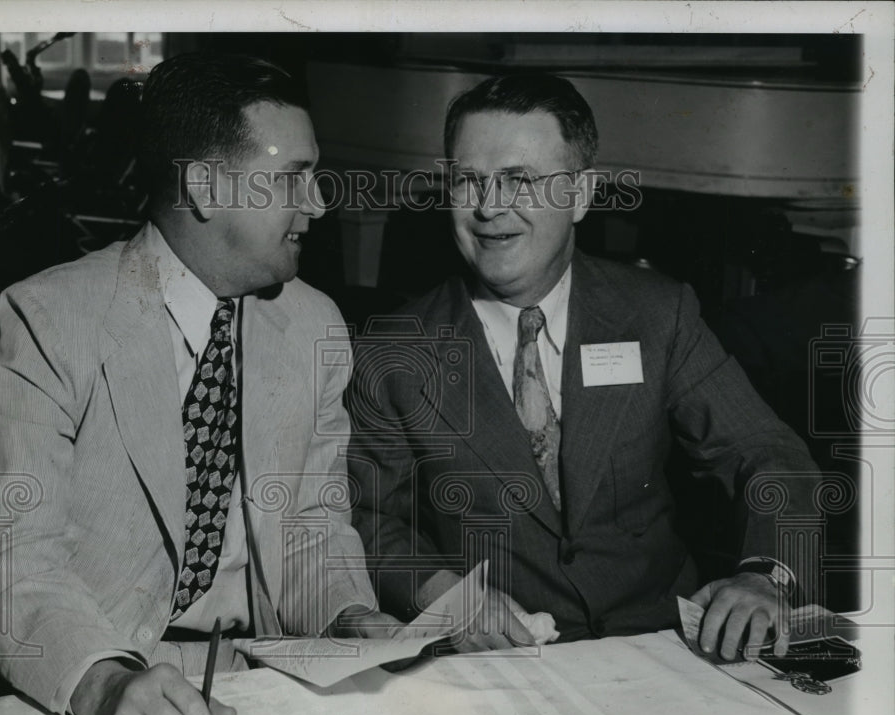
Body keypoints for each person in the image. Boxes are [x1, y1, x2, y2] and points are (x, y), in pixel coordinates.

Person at [0, 52, 396, 715]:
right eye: (293, 179)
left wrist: (348, 615)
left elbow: (311, 524)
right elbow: (1, 557)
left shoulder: (314, 324)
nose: (317, 205)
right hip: (102, 692)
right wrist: (101, 682)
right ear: (204, 186)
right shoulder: (50, 318)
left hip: (269, 684)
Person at [347, 73, 820, 663]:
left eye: (520, 180)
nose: (490, 208)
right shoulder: (395, 348)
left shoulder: (657, 313)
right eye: (469, 180)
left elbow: (768, 453)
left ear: (580, 194)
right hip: (499, 663)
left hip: (668, 649)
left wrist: (764, 576)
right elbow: (368, 517)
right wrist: (443, 592)